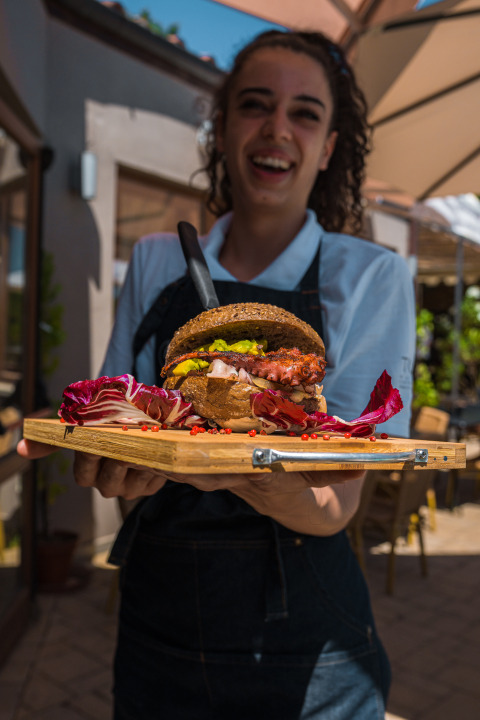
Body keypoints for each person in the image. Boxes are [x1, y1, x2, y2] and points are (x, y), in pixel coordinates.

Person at [19, 30, 416, 719]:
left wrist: (252, 473)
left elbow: (339, 504)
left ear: (327, 148)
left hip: (312, 653)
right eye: (255, 105)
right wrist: (118, 465)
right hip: (157, 631)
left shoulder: (372, 276)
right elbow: (124, 437)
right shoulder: (155, 261)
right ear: (224, 127)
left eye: (305, 114)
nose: (277, 129)